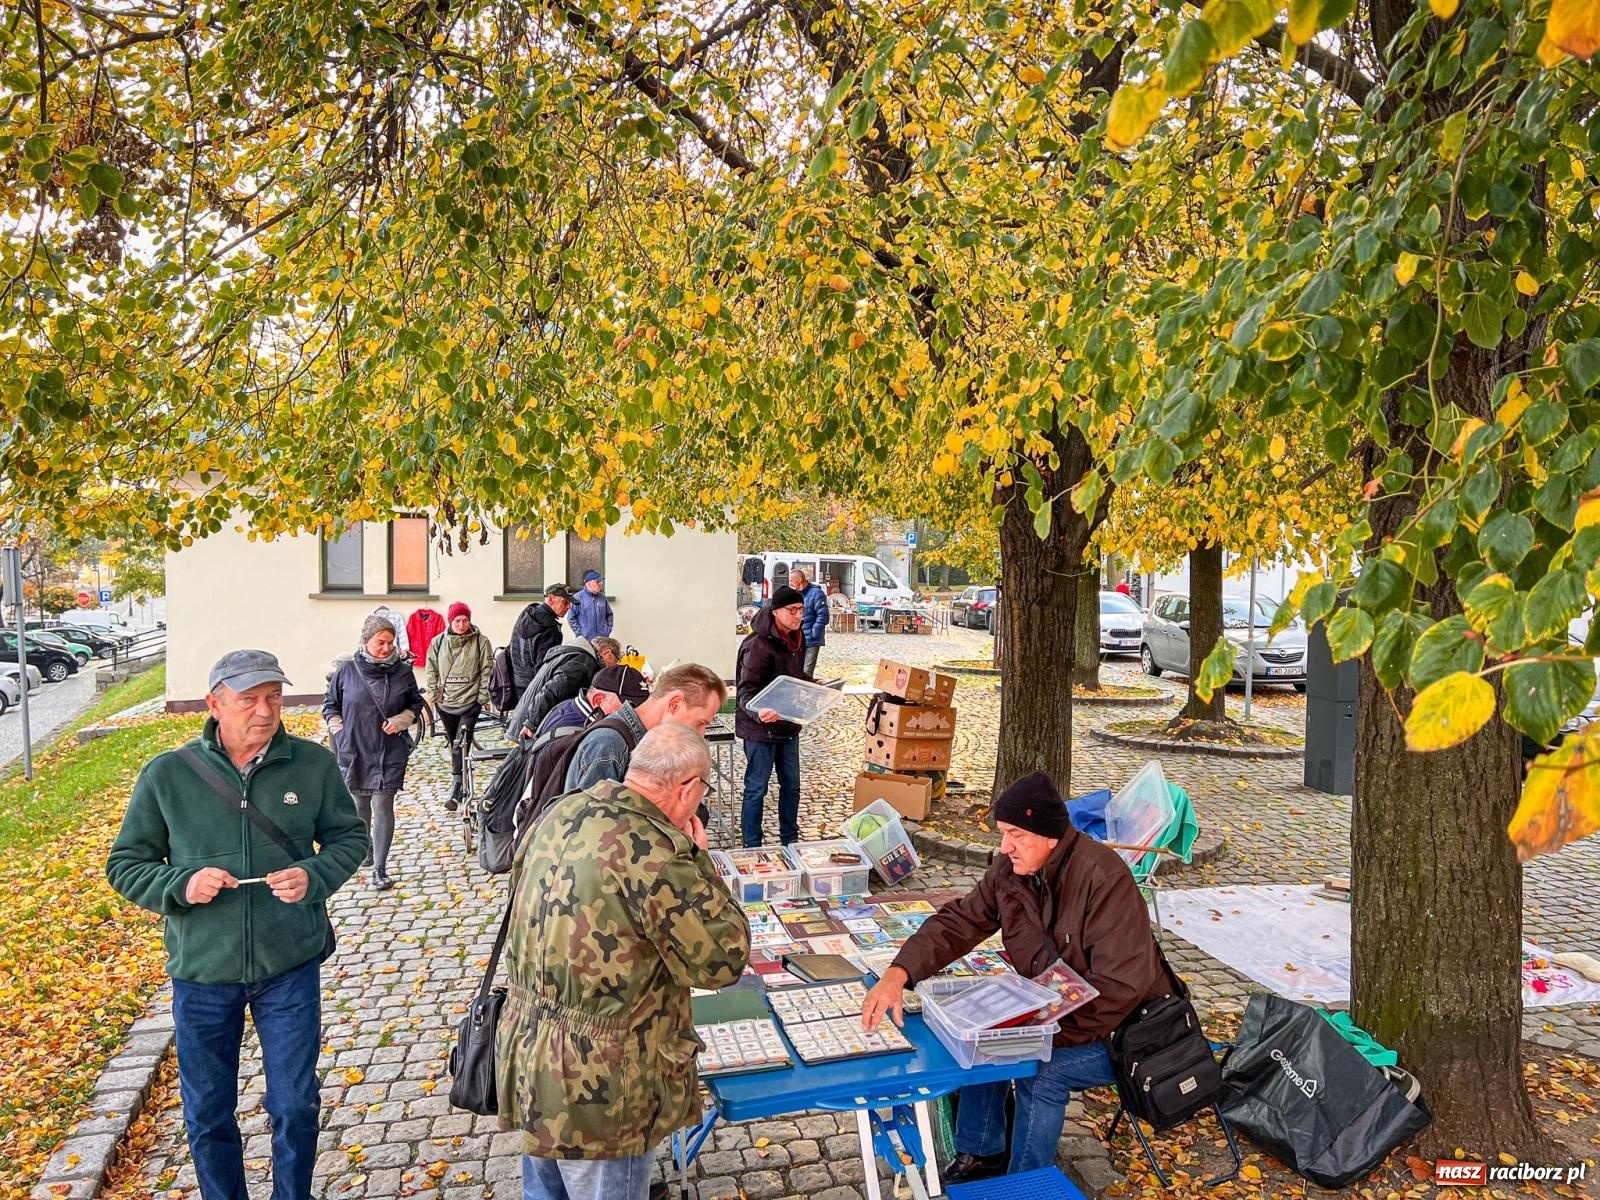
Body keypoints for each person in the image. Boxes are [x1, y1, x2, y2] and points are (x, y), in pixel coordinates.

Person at [107, 650, 368, 1200]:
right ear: (215, 703)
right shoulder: (168, 775)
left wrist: (313, 875)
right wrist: (179, 885)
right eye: (248, 699)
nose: (266, 710)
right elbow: (125, 864)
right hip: (203, 971)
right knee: (207, 1113)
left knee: (295, 1105)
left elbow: (350, 838)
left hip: (288, 963)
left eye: (273, 697)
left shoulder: (311, 765)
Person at [860, 771, 1176, 1184]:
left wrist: (1039, 1034)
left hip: (1127, 1032)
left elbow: (1121, 989)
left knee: (1039, 1069)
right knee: (985, 1038)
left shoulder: (1104, 879)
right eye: (1003, 834)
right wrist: (899, 973)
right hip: (1058, 1015)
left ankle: (1025, 1183)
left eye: (1016, 835)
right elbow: (961, 921)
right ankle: (981, 1154)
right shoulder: (1010, 871)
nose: (1005, 846)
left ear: (1049, 837)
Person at [496, 725, 752, 1200]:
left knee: (545, 1191)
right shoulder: (654, 852)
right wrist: (699, 858)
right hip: (607, 1083)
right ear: (688, 788)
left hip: (534, 1056)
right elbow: (723, 958)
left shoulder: (563, 811)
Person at [322, 615, 425, 889]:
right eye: (381, 642)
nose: (386, 648)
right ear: (366, 641)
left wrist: (401, 720)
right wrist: (340, 732)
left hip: (389, 750)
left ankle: (380, 867)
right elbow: (330, 705)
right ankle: (365, 849)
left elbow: (416, 704)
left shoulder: (402, 672)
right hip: (354, 748)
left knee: (383, 805)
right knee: (359, 805)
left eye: (390, 642)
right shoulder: (347, 671)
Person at [563, 662, 726, 793]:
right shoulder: (609, 743)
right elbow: (587, 826)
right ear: (675, 703)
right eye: (701, 723)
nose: (702, 733)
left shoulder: (649, 740)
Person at [736, 584, 808, 847]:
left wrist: (816, 686)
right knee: (757, 788)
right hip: (760, 729)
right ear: (776, 612)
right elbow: (745, 691)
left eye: (801, 609)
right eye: (792, 610)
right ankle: (752, 845)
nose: (798, 615)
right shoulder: (757, 645)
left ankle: (790, 841)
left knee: (792, 787)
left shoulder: (798, 639)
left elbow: (795, 679)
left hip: (788, 726)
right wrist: (759, 713)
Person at [426, 601, 495, 811]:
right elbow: (432, 668)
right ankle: (460, 778)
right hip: (446, 703)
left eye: (465, 620)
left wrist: (481, 697)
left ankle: (457, 787)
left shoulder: (481, 642)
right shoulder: (438, 642)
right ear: (451, 621)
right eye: (457, 620)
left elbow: (487, 669)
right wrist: (433, 694)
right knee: (454, 742)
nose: (462, 624)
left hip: (470, 702)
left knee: (459, 742)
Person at [509, 637, 602, 740]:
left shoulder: (572, 654)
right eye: (616, 660)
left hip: (524, 718)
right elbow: (552, 691)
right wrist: (531, 723)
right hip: (528, 727)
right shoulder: (582, 662)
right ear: (607, 653)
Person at [536, 664, 650, 738]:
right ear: (598, 700)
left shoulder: (568, 706)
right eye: (629, 706)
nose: (635, 713)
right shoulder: (579, 734)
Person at [509, 584, 573, 695]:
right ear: (551, 599)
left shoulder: (527, 614)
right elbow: (544, 668)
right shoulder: (549, 627)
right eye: (565, 602)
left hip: (517, 681)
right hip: (535, 688)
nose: (569, 607)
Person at [791, 568, 829, 678]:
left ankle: (805, 693)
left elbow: (823, 616)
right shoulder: (796, 594)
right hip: (798, 638)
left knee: (807, 671)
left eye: (792, 580)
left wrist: (814, 632)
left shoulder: (817, 593)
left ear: (799, 580)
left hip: (812, 639)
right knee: (797, 669)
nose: (790, 583)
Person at [568, 569, 615, 641]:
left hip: (602, 639)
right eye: (597, 582)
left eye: (601, 581)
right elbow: (571, 618)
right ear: (588, 583)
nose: (600, 584)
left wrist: (607, 630)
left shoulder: (602, 597)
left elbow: (609, 614)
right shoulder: (578, 598)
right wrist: (580, 633)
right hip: (585, 640)